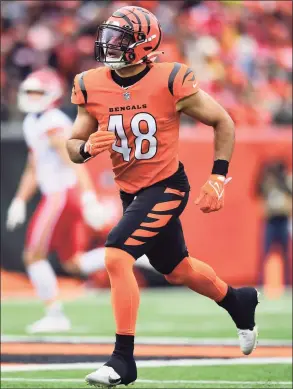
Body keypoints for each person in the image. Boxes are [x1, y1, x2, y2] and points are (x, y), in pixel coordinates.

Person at [66, 6, 259, 386]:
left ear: (144, 44)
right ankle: (239, 300)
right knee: (177, 270)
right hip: (130, 191)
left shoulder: (170, 78)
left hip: (167, 185)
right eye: (109, 36)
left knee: (117, 254)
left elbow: (223, 120)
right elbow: (73, 145)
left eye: (120, 39)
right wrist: (87, 147)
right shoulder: (90, 83)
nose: (110, 45)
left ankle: (123, 360)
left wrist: (218, 177)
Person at [6, 68, 117, 334]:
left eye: (38, 92)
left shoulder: (52, 122)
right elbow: (34, 167)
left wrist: (89, 196)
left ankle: (55, 315)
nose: (32, 96)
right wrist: (20, 200)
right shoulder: (34, 121)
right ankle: (130, 251)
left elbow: (73, 162)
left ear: (52, 95)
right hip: (59, 193)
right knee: (73, 263)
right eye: (29, 91)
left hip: (62, 194)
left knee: (33, 256)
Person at [256, 160, 292, 286]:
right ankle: (260, 282)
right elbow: (258, 192)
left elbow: (289, 199)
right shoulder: (267, 183)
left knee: (286, 255)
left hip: (283, 220)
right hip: (270, 221)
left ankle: (288, 283)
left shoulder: (286, 182)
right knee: (264, 253)